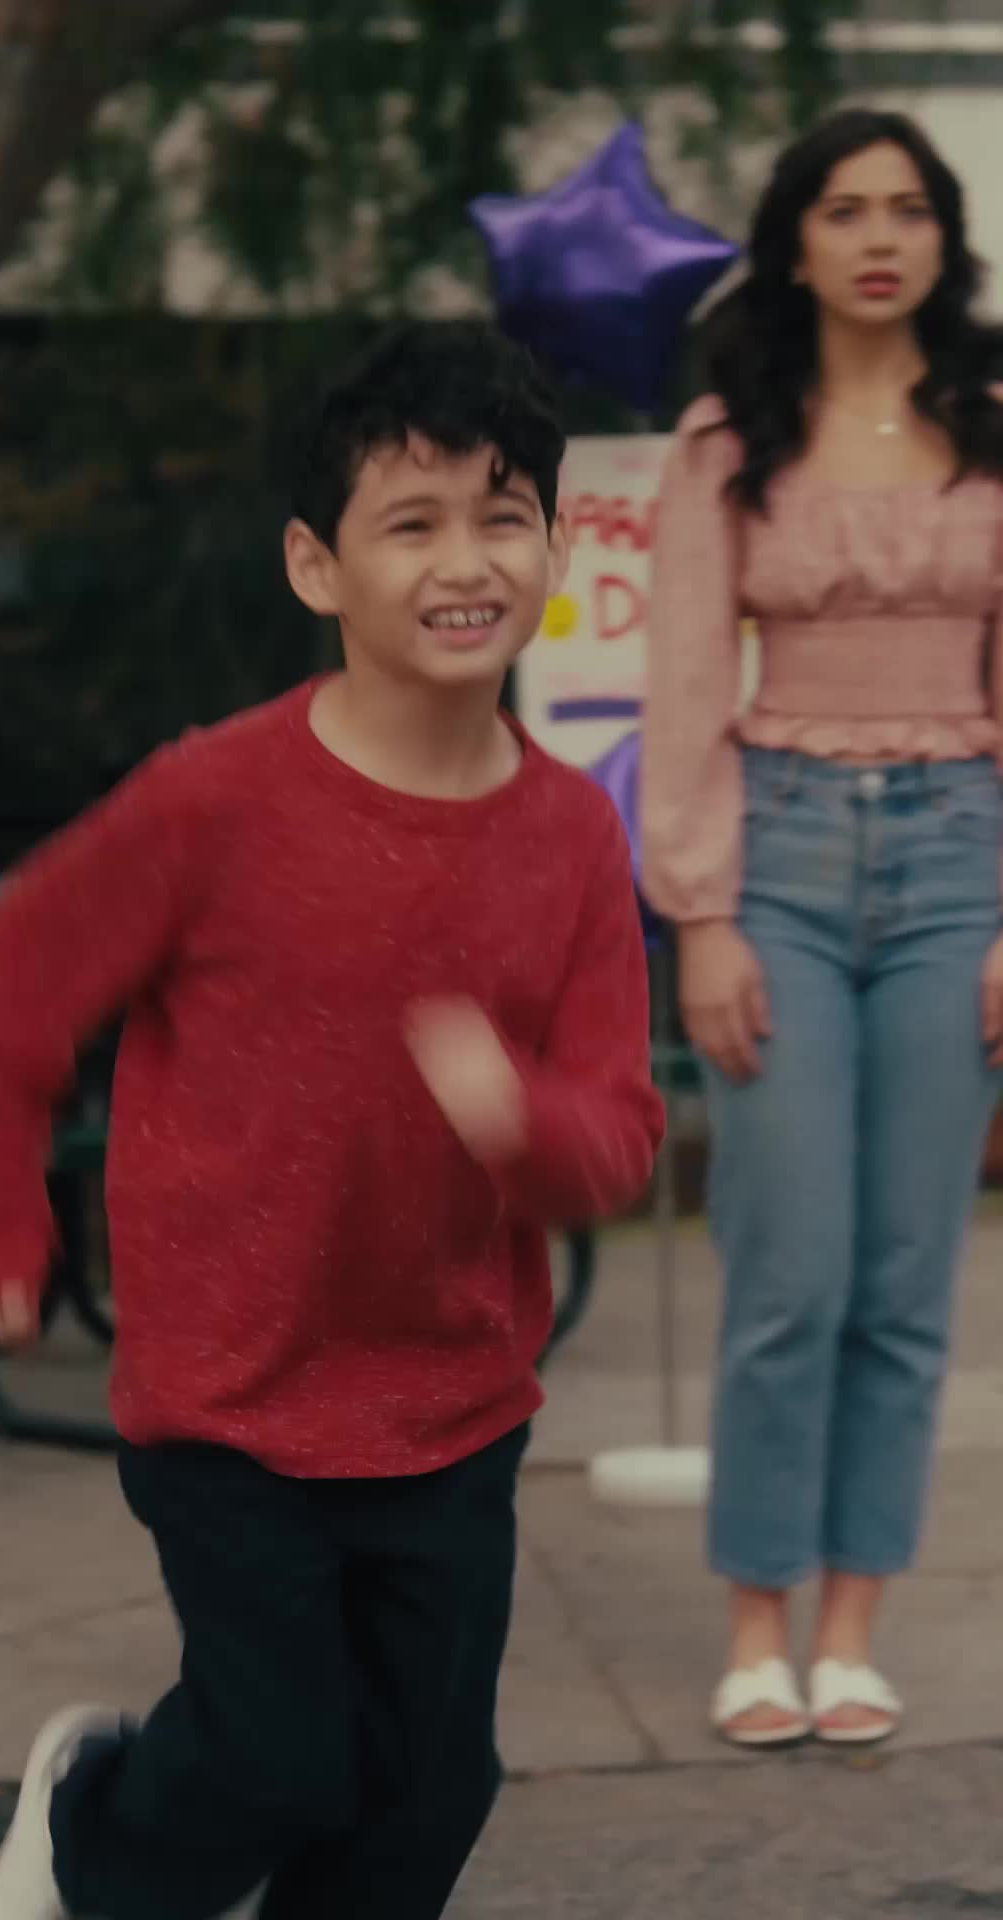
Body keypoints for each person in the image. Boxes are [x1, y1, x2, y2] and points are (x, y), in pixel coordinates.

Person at [0, 319, 663, 1920]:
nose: (464, 560)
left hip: (451, 1404)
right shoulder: (215, 798)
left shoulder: (569, 836)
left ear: (553, 548)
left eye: (504, 515)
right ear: (315, 565)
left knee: (427, 1791)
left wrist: (526, 1121)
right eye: (411, 523)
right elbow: (25, 970)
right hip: (230, 1394)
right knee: (275, 1758)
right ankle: (94, 1827)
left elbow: (618, 1126)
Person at [643, 107, 1003, 1749]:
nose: (879, 238)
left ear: (944, 239)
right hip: (777, 856)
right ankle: (756, 1624)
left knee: (907, 1276)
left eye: (907, 210)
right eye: (846, 209)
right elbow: (684, 685)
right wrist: (701, 916)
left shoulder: (994, 425)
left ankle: (853, 1625)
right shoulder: (730, 441)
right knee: (789, 1269)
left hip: (962, 861)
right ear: (795, 240)